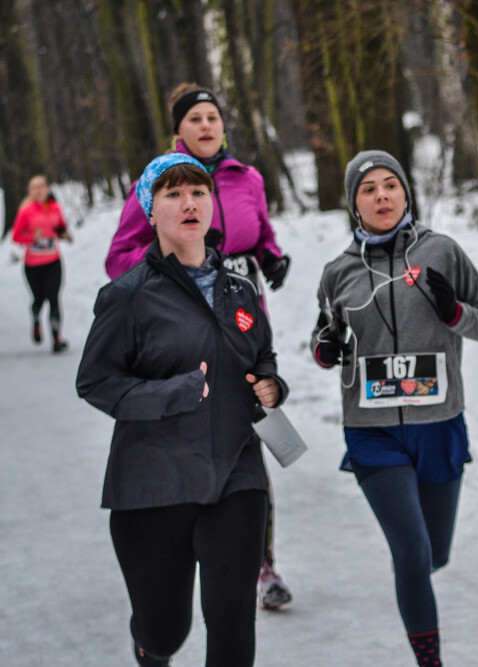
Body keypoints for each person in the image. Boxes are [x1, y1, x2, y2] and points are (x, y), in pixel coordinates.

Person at [77, 154, 288, 667]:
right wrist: (172, 393)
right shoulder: (127, 298)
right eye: (172, 194)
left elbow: (260, 354)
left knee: (233, 619)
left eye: (198, 192)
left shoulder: (239, 291)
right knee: (165, 630)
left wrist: (272, 384)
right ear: (150, 211)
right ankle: (150, 644)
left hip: (235, 475)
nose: (189, 203)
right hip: (155, 483)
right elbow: (95, 382)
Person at [311, 150, 478, 666]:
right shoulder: (339, 272)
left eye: (390, 185)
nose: (381, 196)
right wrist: (325, 348)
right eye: (368, 189)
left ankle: (416, 576)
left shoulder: (442, 252)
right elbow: (323, 335)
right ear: (354, 203)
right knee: (413, 555)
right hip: (372, 432)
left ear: (405, 192)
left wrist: (454, 312)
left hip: (438, 424)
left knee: (433, 554)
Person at [104, 83, 294, 610]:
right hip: (178, 333)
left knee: (246, 445)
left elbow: (259, 232)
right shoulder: (161, 181)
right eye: (195, 119)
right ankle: (176, 564)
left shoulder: (246, 177)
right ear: (179, 130)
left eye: (213, 117)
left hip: (240, 322)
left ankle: (261, 561)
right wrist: (173, 271)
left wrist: (270, 258)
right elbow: (119, 257)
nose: (207, 126)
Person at [11, 175, 72, 353]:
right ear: (30, 192)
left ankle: (57, 339)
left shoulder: (55, 208)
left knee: (54, 298)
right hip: (33, 264)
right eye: (34, 188)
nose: (38, 190)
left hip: (53, 261)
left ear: (47, 188)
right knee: (39, 299)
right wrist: (31, 238)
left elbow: (61, 227)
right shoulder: (26, 211)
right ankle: (36, 318)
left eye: (41, 186)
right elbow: (16, 236)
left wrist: (64, 234)